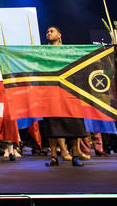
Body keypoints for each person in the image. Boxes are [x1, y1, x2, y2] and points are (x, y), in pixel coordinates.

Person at [41, 27, 86, 167]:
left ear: (59, 34)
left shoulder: (69, 51)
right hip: (51, 91)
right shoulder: (41, 52)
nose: (49, 33)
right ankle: (54, 157)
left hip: (68, 91)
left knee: (73, 123)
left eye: (52, 31)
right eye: (47, 32)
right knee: (51, 125)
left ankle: (75, 156)